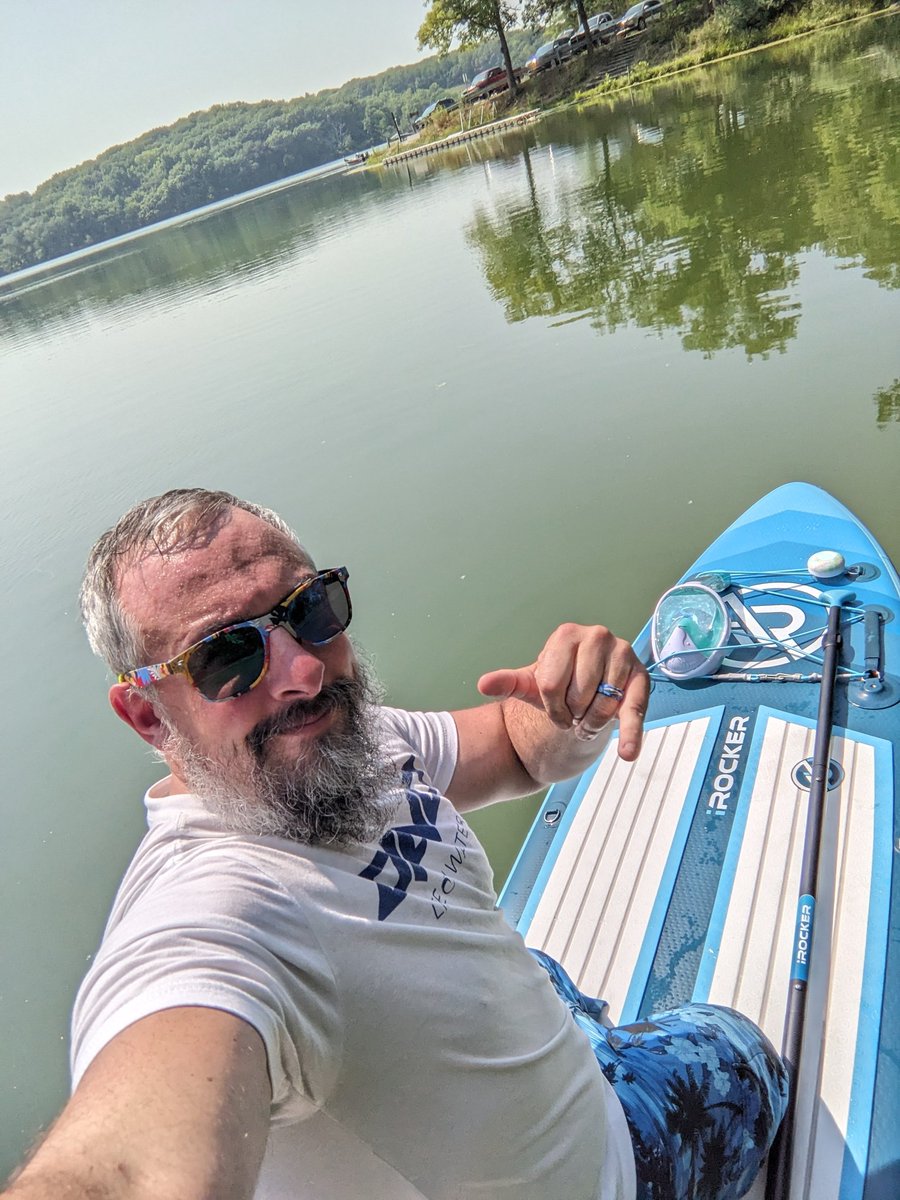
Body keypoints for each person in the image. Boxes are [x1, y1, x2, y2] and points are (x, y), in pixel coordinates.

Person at [3, 489, 787, 1200]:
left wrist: (576, 710)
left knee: (540, 971)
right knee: (748, 1051)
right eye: (227, 656)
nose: (305, 671)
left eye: (309, 609)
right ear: (147, 716)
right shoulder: (212, 919)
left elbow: (517, 747)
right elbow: (129, 1162)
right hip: (615, 1162)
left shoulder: (348, 741)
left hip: (526, 1016)